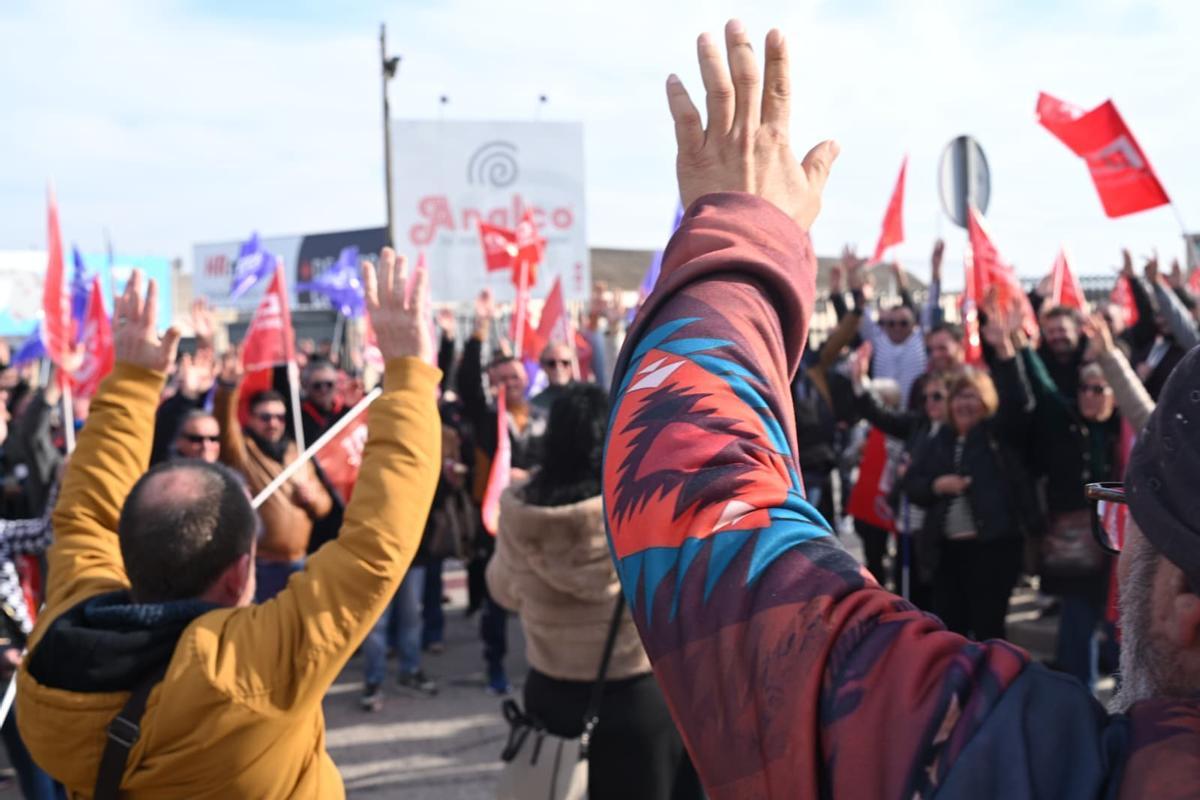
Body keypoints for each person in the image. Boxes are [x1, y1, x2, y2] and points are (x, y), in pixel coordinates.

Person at [606, 25, 1200, 796]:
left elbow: (694, 501)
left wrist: (744, 230)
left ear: (1185, 605)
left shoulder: (1026, 766)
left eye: (1128, 518)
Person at [17, 253, 442, 797]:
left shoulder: (58, 640)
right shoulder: (246, 666)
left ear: (126, 553)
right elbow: (374, 551)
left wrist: (131, 383)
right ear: (240, 571)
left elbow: (85, 518)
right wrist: (410, 370)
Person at [488, 384, 702, 800]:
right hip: (639, 699)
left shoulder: (521, 516)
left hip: (554, 698)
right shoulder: (644, 509)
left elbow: (504, 592)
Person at [457, 290, 546, 694]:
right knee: (496, 596)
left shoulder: (542, 417)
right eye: (502, 378)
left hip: (534, 519)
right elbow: (466, 382)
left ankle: (540, 663)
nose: (511, 383)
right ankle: (494, 665)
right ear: (493, 383)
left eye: (516, 376)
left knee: (538, 594)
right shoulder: (486, 416)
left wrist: (531, 476)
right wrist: (480, 329)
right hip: (495, 521)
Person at [215, 371, 332, 602]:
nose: (273, 423)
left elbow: (324, 505)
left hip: (298, 562)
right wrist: (228, 388)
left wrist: (313, 499)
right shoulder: (242, 451)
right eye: (265, 417)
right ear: (250, 418)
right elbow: (223, 425)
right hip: (261, 565)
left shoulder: (295, 452)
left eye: (279, 417)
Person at [530, 341, 576, 412]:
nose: (558, 368)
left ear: (572, 365)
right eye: (551, 363)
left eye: (565, 363)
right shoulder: (535, 404)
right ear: (543, 366)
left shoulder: (588, 397)